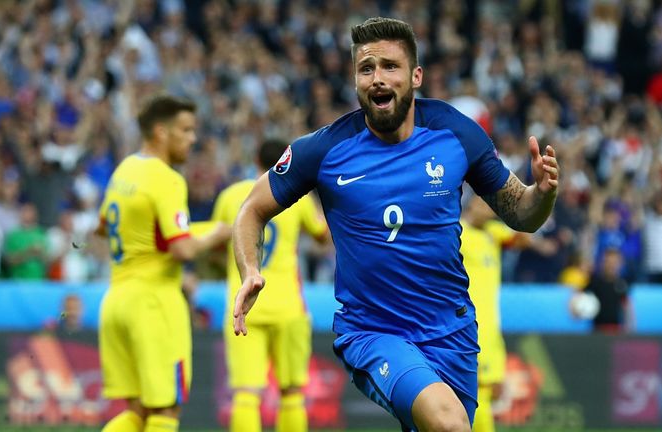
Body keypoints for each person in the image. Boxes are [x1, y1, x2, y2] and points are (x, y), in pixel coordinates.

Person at [231, 17, 559, 432]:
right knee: (449, 424)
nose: (378, 78)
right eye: (367, 69)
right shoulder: (326, 150)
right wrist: (250, 271)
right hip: (375, 332)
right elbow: (250, 210)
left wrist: (543, 193)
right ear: (355, 80)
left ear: (416, 75)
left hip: (451, 331)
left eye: (390, 66)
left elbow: (521, 214)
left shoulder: (455, 134)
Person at [96, 95, 231, 432]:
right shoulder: (166, 178)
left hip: (116, 301)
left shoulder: (125, 169)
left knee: (138, 411)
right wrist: (218, 234)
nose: (192, 138)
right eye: (185, 130)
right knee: (165, 410)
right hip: (154, 304)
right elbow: (182, 250)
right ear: (160, 132)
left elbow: (102, 228)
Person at [212, 138, 329, 432]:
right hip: (289, 305)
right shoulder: (298, 196)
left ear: (255, 159)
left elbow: (218, 242)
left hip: (244, 305)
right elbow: (322, 235)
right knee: (291, 393)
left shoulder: (230, 196)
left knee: (246, 394)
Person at [460, 194, 525, 432]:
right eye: (480, 203)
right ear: (470, 206)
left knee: (488, 393)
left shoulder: (493, 233)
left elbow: (523, 239)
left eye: (488, 205)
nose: (486, 209)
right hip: (468, 325)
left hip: (491, 327)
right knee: (474, 394)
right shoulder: (458, 232)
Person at [583, 247, 633, 333]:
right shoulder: (595, 283)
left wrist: (628, 329)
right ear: (602, 263)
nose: (611, 266)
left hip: (616, 330)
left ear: (620, 264)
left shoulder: (622, 284)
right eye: (608, 262)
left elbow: (627, 308)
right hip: (597, 330)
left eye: (615, 263)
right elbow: (579, 298)